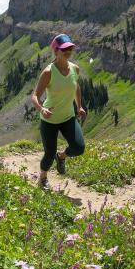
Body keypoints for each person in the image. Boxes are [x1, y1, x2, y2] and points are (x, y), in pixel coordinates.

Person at [30, 33, 87, 189]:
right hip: (50, 120)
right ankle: (43, 178)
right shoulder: (49, 72)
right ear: (56, 52)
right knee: (49, 154)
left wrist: (79, 106)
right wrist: (41, 109)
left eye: (70, 48)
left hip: (68, 116)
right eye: (64, 49)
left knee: (79, 147)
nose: (68, 52)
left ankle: (61, 157)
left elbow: (76, 87)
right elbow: (34, 96)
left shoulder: (75, 69)